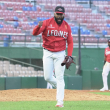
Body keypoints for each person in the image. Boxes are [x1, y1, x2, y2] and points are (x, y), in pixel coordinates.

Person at [33, 6, 73, 107]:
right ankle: (61, 86)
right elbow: (35, 33)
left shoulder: (67, 26)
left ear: (64, 14)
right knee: (47, 77)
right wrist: (38, 26)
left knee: (60, 77)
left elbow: (70, 42)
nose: (59, 16)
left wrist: (69, 55)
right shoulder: (46, 23)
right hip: (47, 52)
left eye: (61, 14)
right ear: (54, 14)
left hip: (60, 53)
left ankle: (60, 101)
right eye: (57, 14)